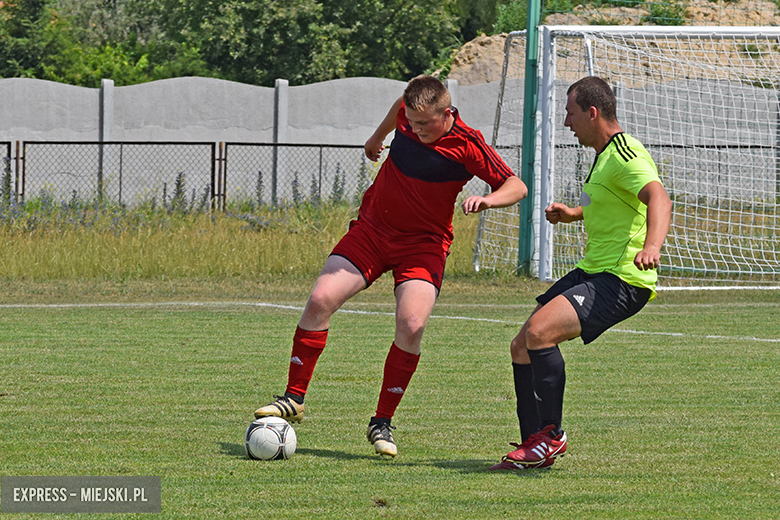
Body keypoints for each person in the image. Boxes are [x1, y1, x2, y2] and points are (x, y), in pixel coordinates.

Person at [254, 75, 528, 458]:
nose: (414, 130)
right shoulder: (406, 113)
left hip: (423, 246)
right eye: (410, 123)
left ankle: (381, 421)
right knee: (319, 300)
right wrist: (375, 137)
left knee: (411, 325)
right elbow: (397, 110)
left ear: (447, 113)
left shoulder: (468, 144)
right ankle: (294, 398)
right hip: (373, 231)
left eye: (423, 124)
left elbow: (517, 185)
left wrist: (488, 200)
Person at [490, 76, 672, 471]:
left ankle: (551, 437)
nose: (567, 122)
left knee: (540, 333)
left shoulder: (625, 154)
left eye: (570, 113)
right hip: (594, 270)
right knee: (521, 345)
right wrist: (573, 213)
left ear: (592, 112)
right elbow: (606, 200)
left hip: (622, 277)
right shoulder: (603, 157)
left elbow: (658, 196)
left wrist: (652, 246)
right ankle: (532, 446)